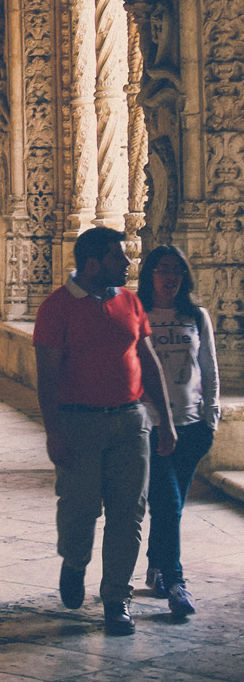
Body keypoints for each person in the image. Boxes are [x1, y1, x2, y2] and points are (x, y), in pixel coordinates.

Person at [33, 226, 177, 636]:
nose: (129, 263)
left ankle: (117, 597)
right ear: (93, 263)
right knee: (79, 509)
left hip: (131, 420)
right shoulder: (56, 307)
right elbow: (47, 377)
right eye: (119, 257)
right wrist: (53, 432)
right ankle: (75, 561)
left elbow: (147, 361)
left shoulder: (130, 301)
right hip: (80, 422)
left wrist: (164, 420)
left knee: (128, 512)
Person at [137, 244, 220, 618]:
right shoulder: (139, 313)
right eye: (162, 269)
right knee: (168, 504)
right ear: (149, 274)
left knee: (172, 507)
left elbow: (210, 368)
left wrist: (211, 418)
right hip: (152, 427)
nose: (170, 277)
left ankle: (156, 567)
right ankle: (174, 581)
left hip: (192, 425)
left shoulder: (196, 316)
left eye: (176, 270)